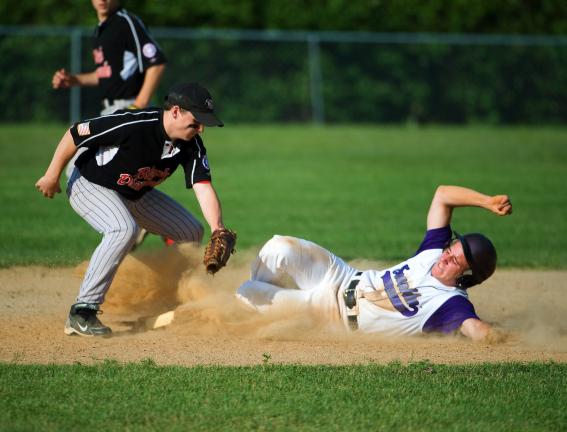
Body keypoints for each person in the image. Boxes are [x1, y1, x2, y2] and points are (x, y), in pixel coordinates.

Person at [36, 82, 230, 338]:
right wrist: (52, 175)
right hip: (89, 183)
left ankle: (169, 300)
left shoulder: (191, 145)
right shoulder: (135, 124)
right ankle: (82, 312)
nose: (201, 128)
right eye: (196, 121)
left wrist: (218, 228)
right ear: (175, 111)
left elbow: (202, 186)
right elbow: (76, 132)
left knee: (190, 231)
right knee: (123, 229)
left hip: (135, 193)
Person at [236, 185, 513, 341]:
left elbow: (476, 330)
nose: (446, 256)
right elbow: (442, 195)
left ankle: (271, 304)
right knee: (279, 247)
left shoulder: (449, 303)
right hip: (340, 275)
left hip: (331, 314)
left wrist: (499, 337)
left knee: (246, 295)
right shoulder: (431, 253)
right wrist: (486, 202)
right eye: (451, 249)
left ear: (467, 277)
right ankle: (273, 298)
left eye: (455, 261)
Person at [52, 0, 167, 179]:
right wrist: (74, 80)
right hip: (112, 110)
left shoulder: (126, 22)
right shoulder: (101, 29)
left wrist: (139, 105)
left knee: (78, 165)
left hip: (129, 107)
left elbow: (156, 63)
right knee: (117, 173)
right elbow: (106, 75)